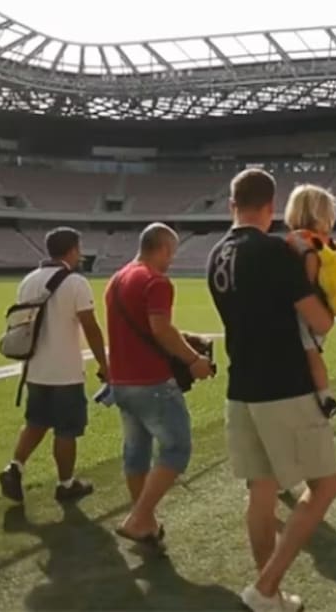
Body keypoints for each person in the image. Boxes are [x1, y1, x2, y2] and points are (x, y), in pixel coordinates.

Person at [208, 169, 336, 612]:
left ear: (232, 203)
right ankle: (266, 589)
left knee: (260, 492)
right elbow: (319, 322)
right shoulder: (275, 251)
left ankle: (273, 595)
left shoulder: (216, 254)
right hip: (284, 387)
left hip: (240, 386)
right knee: (326, 485)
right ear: (270, 205)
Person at [105, 223, 213, 545]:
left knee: (136, 453)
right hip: (151, 381)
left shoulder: (117, 279)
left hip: (120, 381)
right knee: (177, 448)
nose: (172, 260)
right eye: (172, 253)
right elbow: (161, 329)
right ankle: (138, 518)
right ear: (163, 248)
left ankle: (146, 523)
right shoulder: (156, 281)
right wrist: (194, 360)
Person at [0, 228, 108, 504]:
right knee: (66, 430)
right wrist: (104, 363)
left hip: (35, 368)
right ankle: (65, 484)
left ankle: (14, 468)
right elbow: (91, 327)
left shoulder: (29, 281)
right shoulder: (75, 283)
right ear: (72, 250)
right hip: (65, 372)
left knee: (35, 422)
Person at [283, 183, 336, 418]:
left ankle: (324, 394)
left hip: (307, 311)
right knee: (312, 352)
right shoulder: (316, 242)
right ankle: (323, 394)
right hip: (316, 309)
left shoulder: (298, 242)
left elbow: (302, 284)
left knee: (311, 352)